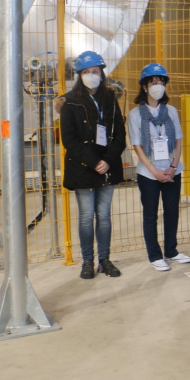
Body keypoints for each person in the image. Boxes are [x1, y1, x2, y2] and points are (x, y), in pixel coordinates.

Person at [58, 51, 126, 279]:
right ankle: (87, 261)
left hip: (108, 166)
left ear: (102, 73)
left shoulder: (111, 99)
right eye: (86, 72)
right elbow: (69, 140)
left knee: (104, 215)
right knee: (87, 216)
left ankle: (104, 260)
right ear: (79, 75)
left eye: (95, 71)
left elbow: (119, 135)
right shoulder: (70, 102)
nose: (91, 75)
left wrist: (107, 160)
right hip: (83, 168)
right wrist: (94, 161)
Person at [128, 63, 190, 272]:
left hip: (172, 169)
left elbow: (179, 140)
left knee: (172, 211)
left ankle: (171, 251)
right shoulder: (135, 114)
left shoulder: (171, 111)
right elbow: (137, 145)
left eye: (161, 81)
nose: (158, 84)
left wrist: (173, 166)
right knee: (151, 213)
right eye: (153, 81)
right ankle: (154, 255)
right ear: (144, 87)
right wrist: (154, 171)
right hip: (149, 172)